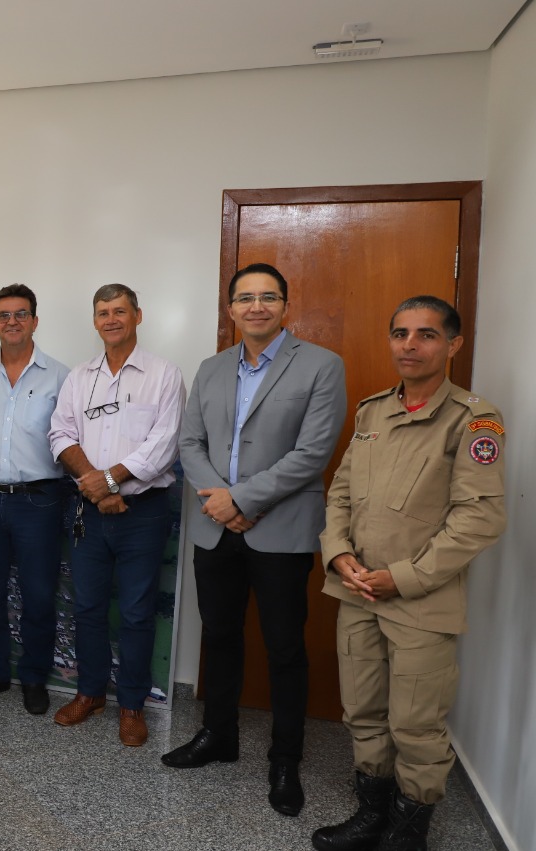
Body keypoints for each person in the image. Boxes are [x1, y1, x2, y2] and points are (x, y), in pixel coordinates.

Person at [312, 297, 506, 851]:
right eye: (400, 333)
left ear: (453, 344)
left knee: (416, 725)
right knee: (364, 712)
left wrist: (404, 577)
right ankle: (371, 814)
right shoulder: (373, 411)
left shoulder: (474, 419)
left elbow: (481, 517)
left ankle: (408, 831)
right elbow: (342, 491)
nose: (410, 345)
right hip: (357, 591)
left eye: (425, 334)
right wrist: (338, 553)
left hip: (421, 600)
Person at [163, 263, 347, 818]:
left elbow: (313, 453)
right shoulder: (211, 368)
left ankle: (285, 760)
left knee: (285, 648)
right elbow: (189, 441)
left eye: (268, 297)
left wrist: (241, 499)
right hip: (214, 526)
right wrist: (219, 497)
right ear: (231, 309)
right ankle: (218, 736)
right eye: (245, 298)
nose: (257, 307)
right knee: (218, 635)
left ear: (285, 306)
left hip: (280, 529)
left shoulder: (321, 366)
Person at [47, 283, 185, 746]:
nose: (111, 319)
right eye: (103, 312)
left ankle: (131, 704)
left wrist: (108, 481)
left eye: (120, 311)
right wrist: (97, 485)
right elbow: (60, 433)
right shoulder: (79, 377)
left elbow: (163, 446)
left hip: (142, 513)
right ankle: (90, 693)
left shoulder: (164, 375)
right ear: (95, 320)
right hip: (91, 510)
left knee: (136, 612)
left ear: (137, 317)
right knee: (86, 608)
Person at [0, 284, 70, 715]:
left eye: (21, 314)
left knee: (38, 593)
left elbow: (67, 438)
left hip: (38, 500)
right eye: (3, 315)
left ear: (35, 321)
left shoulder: (61, 376)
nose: (12, 322)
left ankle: (35, 677)